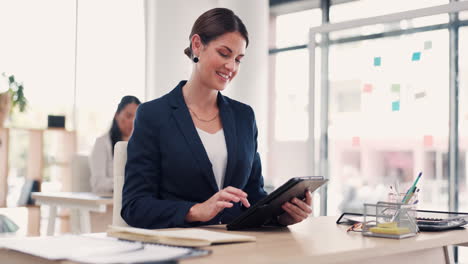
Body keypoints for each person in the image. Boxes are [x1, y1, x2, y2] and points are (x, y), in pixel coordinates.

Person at [122, 8, 312, 229]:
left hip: (238, 245)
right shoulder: (153, 115)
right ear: (197, 45)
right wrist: (196, 210)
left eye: (238, 59)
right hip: (181, 245)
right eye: (224, 53)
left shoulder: (244, 117)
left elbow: (252, 195)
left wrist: (282, 215)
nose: (231, 67)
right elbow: (134, 206)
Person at [89, 95, 141, 194]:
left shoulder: (141, 145)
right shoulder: (102, 143)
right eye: (128, 116)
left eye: (136, 117)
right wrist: (127, 183)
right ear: (117, 116)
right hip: (109, 203)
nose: (132, 122)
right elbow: (98, 184)